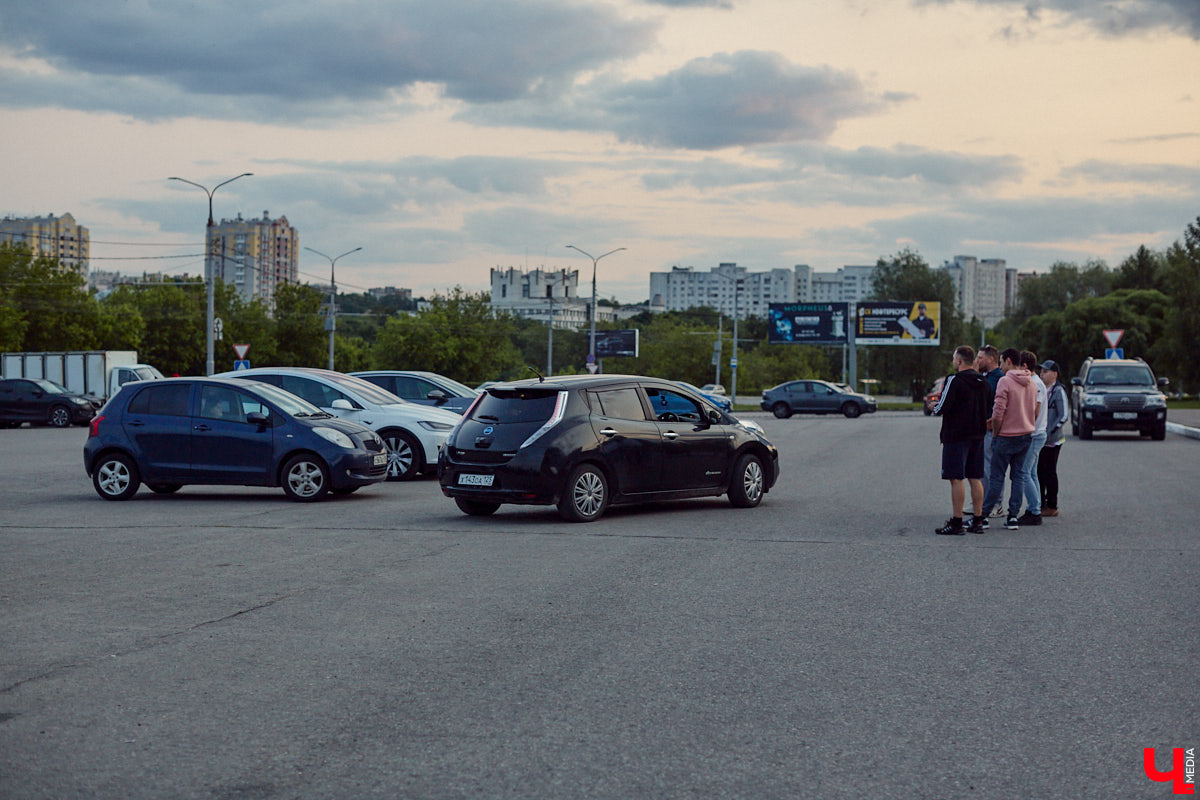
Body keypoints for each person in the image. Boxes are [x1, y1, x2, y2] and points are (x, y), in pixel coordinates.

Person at [932, 345, 990, 535]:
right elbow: (988, 407)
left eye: (954, 358)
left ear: (959, 361)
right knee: (975, 477)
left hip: (956, 435)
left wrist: (934, 406)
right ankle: (978, 520)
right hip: (978, 435)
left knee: (956, 478)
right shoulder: (983, 381)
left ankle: (957, 522)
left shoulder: (954, 380)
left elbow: (942, 406)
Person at [981, 348, 1038, 530]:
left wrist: (996, 432)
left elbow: (998, 413)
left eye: (1002, 361)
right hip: (1025, 435)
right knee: (1018, 477)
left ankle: (983, 515)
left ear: (1008, 361)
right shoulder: (1032, 383)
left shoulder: (1005, 381)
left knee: (997, 477)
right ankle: (1013, 516)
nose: (1001, 365)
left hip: (1006, 436)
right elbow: (1034, 411)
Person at [1016, 350, 1047, 527]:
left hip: (1034, 434)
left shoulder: (1035, 384)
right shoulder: (1036, 382)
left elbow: (1034, 412)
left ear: (1025, 366)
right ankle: (1033, 507)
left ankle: (1035, 511)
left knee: (1023, 472)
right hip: (1037, 433)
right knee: (1031, 472)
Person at [1037, 360, 1069, 517]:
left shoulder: (1058, 391)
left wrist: (1051, 431)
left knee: (1049, 472)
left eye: (1045, 372)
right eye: (1041, 371)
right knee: (1038, 472)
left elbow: (1063, 415)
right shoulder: (1041, 389)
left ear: (1054, 374)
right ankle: (1040, 504)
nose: (1042, 374)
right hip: (1040, 438)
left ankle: (1052, 505)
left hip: (1053, 440)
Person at [975, 345, 1004, 515]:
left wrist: (993, 422)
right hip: (980, 428)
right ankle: (982, 500)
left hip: (991, 429)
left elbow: (1000, 405)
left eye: (980, 358)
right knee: (982, 467)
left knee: (992, 467)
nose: (978, 361)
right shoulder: (985, 376)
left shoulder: (999, 378)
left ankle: (996, 504)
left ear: (991, 358)